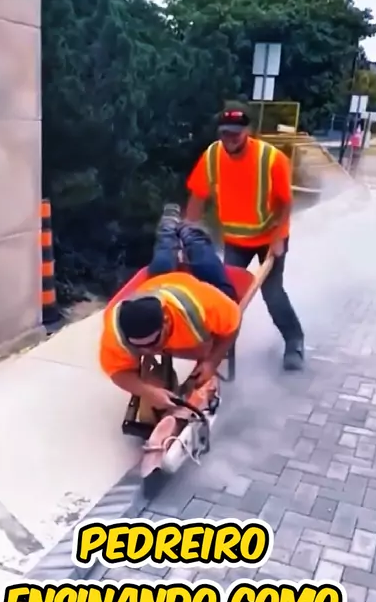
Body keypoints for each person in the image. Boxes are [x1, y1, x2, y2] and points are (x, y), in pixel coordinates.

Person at [185, 103, 305, 371]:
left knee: (271, 293)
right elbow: (197, 196)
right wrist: (187, 232)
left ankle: (294, 341)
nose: (230, 139)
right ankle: (220, 352)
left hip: (270, 237)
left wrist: (277, 239)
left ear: (248, 131)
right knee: (227, 297)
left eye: (235, 134)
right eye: (225, 133)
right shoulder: (212, 155)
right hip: (236, 240)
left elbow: (286, 203)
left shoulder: (270, 158)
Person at [99, 261, 241, 412]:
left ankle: (191, 247)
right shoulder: (116, 334)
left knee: (206, 264)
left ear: (166, 321)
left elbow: (233, 325)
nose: (148, 351)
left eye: (153, 343)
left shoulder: (204, 307)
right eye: (139, 346)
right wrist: (147, 391)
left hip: (190, 287)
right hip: (156, 285)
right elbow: (117, 372)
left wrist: (211, 362)